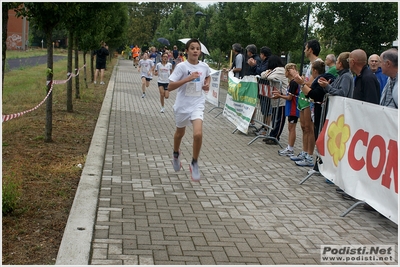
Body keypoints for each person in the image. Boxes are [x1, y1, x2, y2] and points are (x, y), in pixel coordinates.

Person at [168, 38, 211, 182]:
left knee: (198, 134)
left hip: (197, 104)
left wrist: (207, 84)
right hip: (182, 105)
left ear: (200, 51)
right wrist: (187, 79)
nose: (195, 51)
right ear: (187, 51)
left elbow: (208, 76)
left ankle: (194, 162)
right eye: (192, 48)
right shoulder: (181, 67)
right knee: (180, 134)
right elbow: (170, 86)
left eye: (197, 48)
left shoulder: (204, 66)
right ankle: (175, 154)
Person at [289, 39, 322, 167]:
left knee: (309, 128)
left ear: (311, 49)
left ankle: (309, 155)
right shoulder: (310, 64)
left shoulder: (318, 63)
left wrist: (298, 79)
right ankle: (304, 151)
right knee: (303, 127)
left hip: (311, 99)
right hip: (304, 97)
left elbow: (312, 83)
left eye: (306, 47)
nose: (304, 50)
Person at [274, 63, 300, 157]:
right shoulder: (291, 82)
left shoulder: (294, 82)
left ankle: (290, 148)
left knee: (292, 128)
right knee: (290, 127)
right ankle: (289, 147)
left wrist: (280, 96)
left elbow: (289, 97)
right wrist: (280, 93)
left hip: (293, 108)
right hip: (290, 108)